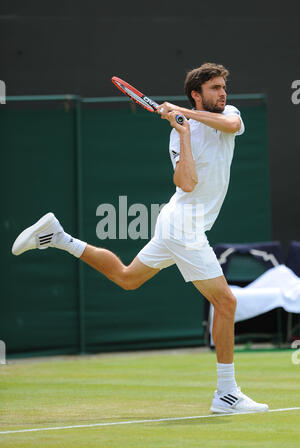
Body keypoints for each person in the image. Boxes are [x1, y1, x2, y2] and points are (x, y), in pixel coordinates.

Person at [12, 63, 268, 414]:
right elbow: (187, 183)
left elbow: (231, 125)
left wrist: (182, 113)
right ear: (197, 93)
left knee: (127, 278)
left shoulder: (229, 114)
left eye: (224, 87)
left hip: (179, 225)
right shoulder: (179, 133)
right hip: (182, 225)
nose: (223, 93)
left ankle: (58, 237)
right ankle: (226, 393)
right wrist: (185, 132)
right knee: (226, 303)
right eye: (214, 88)